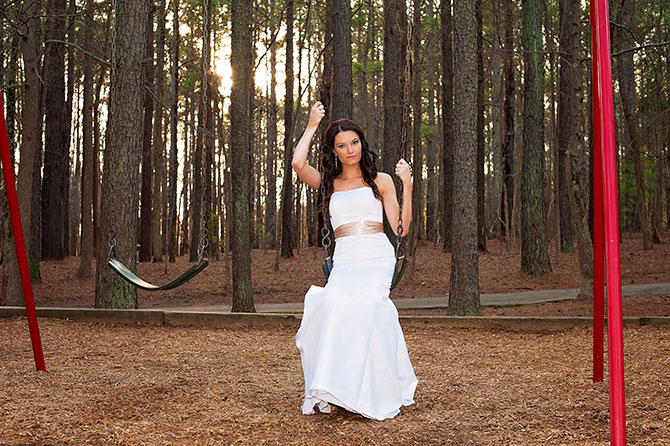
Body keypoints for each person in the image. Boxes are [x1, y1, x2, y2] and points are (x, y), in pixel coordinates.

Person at [291, 102, 418, 421]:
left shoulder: (382, 180)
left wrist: (408, 185)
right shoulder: (329, 184)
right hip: (345, 259)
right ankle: (336, 391)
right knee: (334, 308)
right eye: (342, 145)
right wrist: (311, 125)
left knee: (365, 307)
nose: (350, 150)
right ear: (334, 151)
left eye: (354, 142)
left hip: (376, 254)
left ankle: (369, 390)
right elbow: (297, 163)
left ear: (362, 143)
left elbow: (400, 226)